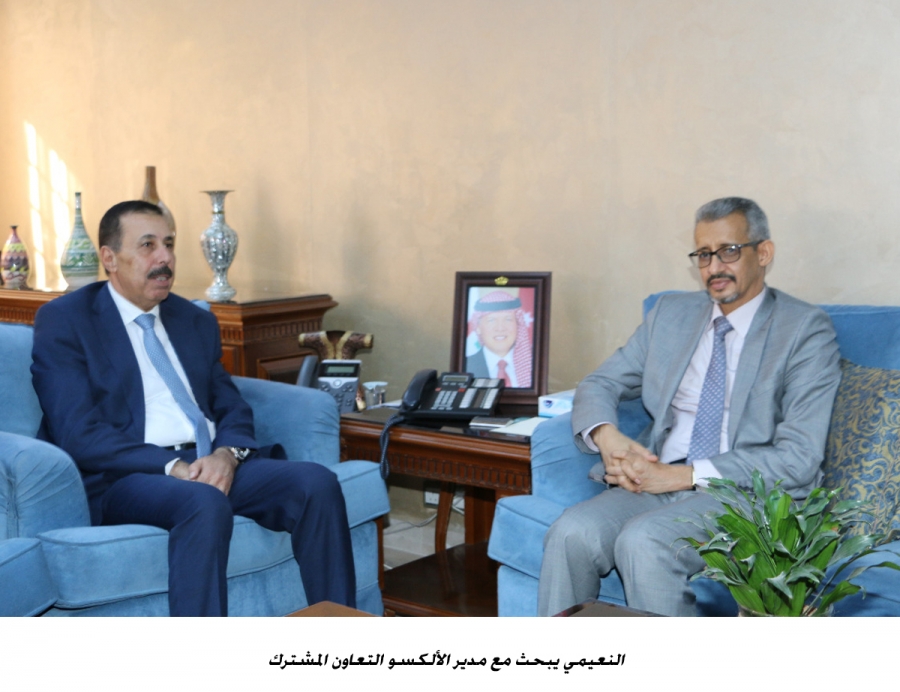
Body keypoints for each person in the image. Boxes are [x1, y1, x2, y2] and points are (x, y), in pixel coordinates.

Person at [30, 200, 357, 616]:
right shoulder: (67, 320)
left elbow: (230, 404)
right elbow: (78, 432)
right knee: (203, 502)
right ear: (109, 258)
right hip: (130, 474)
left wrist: (227, 455)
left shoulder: (192, 320)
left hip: (207, 460)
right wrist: (174, 468)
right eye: (148, 245)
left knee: (316, 483)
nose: (164, 257)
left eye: (169, 244)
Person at [537, 197, 841, 617]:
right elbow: (600, 382)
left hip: (746, 495)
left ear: (763, 253)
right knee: (570, 532)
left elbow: (799, 458)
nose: (714, 267)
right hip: (658, 479)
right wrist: (608, 438)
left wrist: (683, 475)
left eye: (728, 251)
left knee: (643, 541)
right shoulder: (671, 314)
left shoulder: (803, 330)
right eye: (703, 254)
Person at [465, 290, 533, 387]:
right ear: (478, 328)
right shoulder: (466, 366)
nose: (500, 328)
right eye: (491, 320)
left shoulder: (534, 367)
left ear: (518, 325)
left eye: (508, 319)